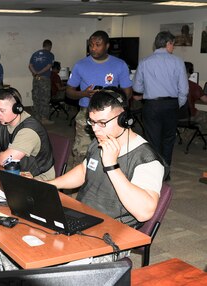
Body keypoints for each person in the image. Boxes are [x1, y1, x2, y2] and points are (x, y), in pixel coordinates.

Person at [48, 89, 164, 229]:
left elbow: (144, 213)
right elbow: (84, 171)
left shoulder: (146, 158)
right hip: (84, 216)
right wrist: (49, 185)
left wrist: (112, 166)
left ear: (124, 119)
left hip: (113, 230)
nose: (96, 130)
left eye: (102, 122)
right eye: (92, 122)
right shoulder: (101, 141)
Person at [67, 30, 132, 164]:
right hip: (87, 114)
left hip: (111, 116)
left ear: (107, 46)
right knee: (81, 153)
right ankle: (80, 182)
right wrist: (84, 93)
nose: (93, 48)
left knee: (110, 152)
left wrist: (111, 97)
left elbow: (128, 92)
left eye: (98, 44)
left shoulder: (120, 65)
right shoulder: (80, 65)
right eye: (91, 45)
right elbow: (69, 92)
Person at [132, 31, 188, 174]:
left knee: (152, 140)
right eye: (173, 45)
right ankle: (166, 172)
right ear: (168, 43)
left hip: (152, 106)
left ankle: (154, 173)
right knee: (168, 140)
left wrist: (149, 92)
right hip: (171, 105)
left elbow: (137, 87)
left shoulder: (144, 62)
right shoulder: (178, 61)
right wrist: (177, 103)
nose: (173, 48)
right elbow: (184, 89)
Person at [28, 39, 55, 125]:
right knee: (45, 98)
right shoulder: (50, 55)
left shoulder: (35, 54)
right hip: (44, 79)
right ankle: (44, 118)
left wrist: (35, 73)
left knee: (36, 97)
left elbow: (30, 65)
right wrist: (39, 73)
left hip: (36, 79)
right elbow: (49, 66)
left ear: (43, 45)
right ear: (50, 46)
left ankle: (36, 118)